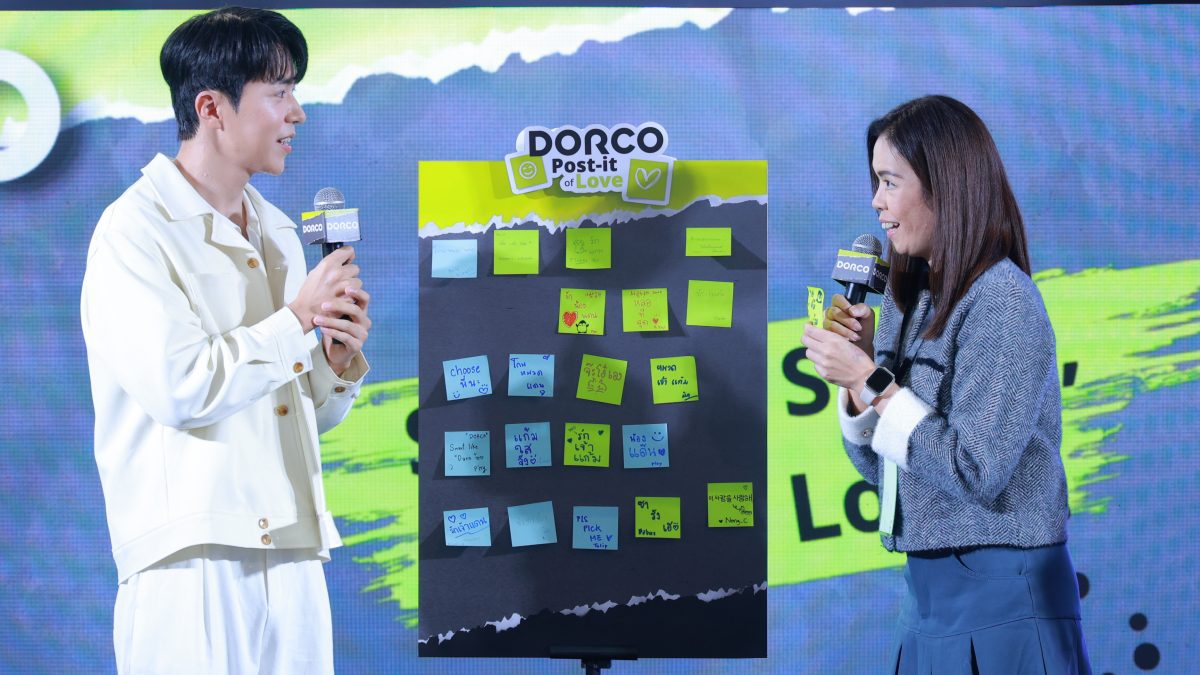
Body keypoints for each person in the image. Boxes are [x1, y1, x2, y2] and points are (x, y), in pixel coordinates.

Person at [80, 8, 370, 673]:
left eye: (295, 91)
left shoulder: (279, 230)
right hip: (191, 562)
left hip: (295, 551)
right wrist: (297, 319)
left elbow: (299, 411)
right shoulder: (135, 230)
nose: (297, 113)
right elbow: (182, 388)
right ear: (211, 108)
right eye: (279, 92)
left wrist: (333, 363)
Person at [801, 95, 1090, 673]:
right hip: (926, 598)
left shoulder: (1003, 300)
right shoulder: (908, 302)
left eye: (890, 182)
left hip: (1005, 597)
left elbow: (974, 471)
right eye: (875, 182)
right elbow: (884, 472)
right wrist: (860, 384)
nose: (876, 202)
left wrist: (872, 380)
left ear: (945, 187)